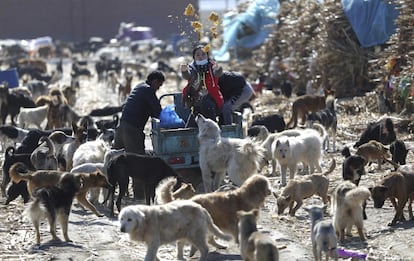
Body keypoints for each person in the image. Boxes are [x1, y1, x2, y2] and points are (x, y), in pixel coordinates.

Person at [113, 70, 165, 155]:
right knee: (138, 160)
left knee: (116, 160)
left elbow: (150, 110)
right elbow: (158, 112)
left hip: (121, 127)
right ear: (155, 81)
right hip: (131, 130)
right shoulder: (149, 90)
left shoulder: (140, 86)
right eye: (159, 85)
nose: (158, 88)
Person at [180, 45, 224, 123]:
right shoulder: (192, 68)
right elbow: (188, 75)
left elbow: (217, 73)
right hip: (195, 99)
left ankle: (212, 128)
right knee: (193, 118)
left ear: (207, 55)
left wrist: (218, 69)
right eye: (198, 55)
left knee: (207, 105)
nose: (201, 57)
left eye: (203, 54)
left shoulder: (212, 66)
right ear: (194, 57)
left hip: (212, 99)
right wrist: (184, 71)